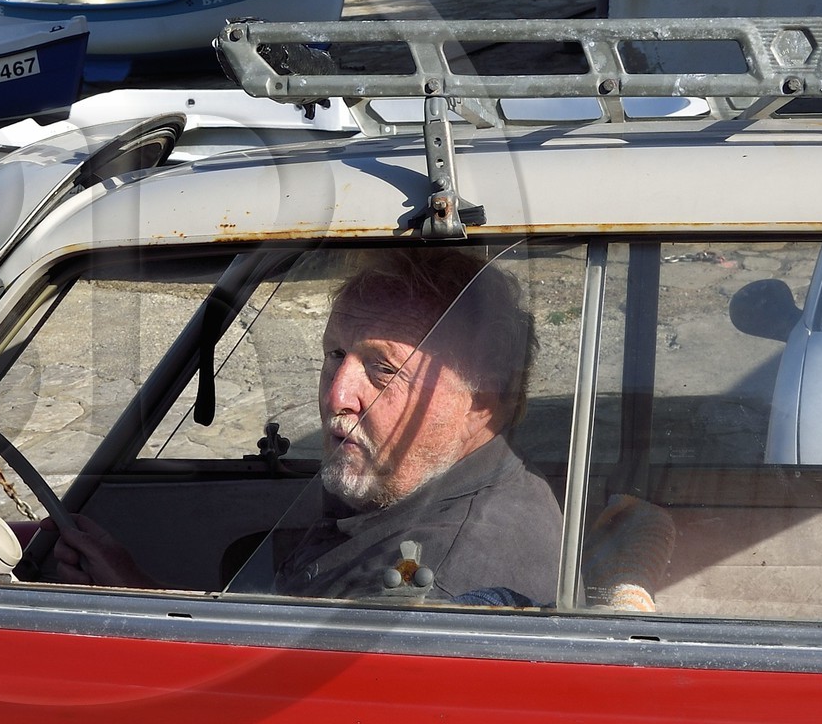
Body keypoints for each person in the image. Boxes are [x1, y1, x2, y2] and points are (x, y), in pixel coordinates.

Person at [53, 245, 563, 607]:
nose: (337, 395)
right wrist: (139, 590)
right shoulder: (421, 493)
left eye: (384, 369)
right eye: (335, 354)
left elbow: (272, 720)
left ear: (482, 402)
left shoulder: (437, 591)